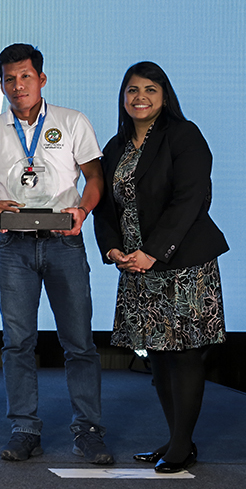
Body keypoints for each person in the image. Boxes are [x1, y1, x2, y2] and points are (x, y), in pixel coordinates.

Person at [0, 43, 113, 464]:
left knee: (79, 342)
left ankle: (88, 430)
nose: (18, 85)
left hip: (64, 240)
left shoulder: (71, 121)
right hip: (14, 245)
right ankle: (24, 428)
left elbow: (95, 178)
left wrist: (82, 210)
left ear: (42, 79)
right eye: (10, 79)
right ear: (2, 85)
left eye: (25, 76)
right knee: (17, 343)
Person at [93, 62, 227, 473]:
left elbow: (191, 199)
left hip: (182, 266)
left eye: (150, 89)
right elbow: (104, 207)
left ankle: (181, 446)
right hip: (137, 268)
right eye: (132, 90)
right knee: (158, 357)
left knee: (183, 356)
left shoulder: (184, 136)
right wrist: (113, 249)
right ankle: (175, 439)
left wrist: (153, 251)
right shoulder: (115, 147)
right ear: (123, 97)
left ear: (165, 96)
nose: (140, 97)